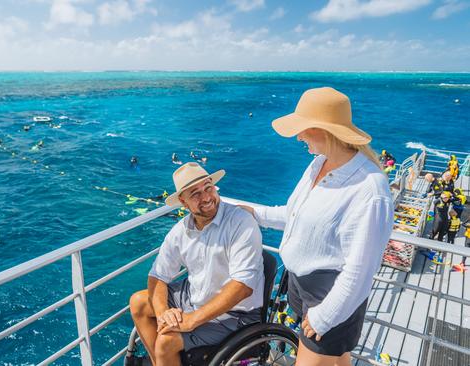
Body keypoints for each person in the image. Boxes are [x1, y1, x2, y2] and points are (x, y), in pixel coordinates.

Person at [239, 87, 393, 366]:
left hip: (330, 296)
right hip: (303, 286)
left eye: (303, 129)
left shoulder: (369, 189)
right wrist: (255, 213)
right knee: (337, 361)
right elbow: (297, 214)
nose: (298, 136)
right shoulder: (319, 164)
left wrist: (324, 317)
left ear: (324, 130)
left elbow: (360, 271)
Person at [129, 162, 265, 366]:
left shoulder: (240, 222)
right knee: (139, 302)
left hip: (236, 314)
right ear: (183, 203)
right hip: (195, 297)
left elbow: (242, 287)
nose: (207, 197)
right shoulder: (180, 230)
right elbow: (157, 276)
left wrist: (192, 320)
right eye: (195, 193)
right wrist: (164, 314)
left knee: (166, 341)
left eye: (208, 187)